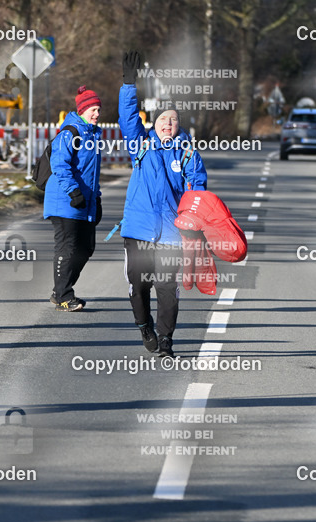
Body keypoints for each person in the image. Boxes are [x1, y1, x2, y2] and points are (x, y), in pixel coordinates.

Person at [117, 52, 207, 358]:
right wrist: (130, 84)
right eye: (163, 119)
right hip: (138, 230)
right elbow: (128, 118)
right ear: (155, 124)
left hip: (171, 233)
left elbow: (198, 191)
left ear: (179, 124)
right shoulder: (140, 145)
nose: (168, 123)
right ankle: (144, 325)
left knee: (168, 289)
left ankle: (166, 338)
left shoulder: (187, 153)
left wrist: (194, 224)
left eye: (173, 119)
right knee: (139, 285)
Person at [43, 85, 103, 312]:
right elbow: (59, 164)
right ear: (82, 110)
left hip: (84, 201)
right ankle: (64, 296)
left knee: (86, 247)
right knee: (67, 247)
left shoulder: (93, 134)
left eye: (98, 109)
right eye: (92, 109)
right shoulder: (70, 132)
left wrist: (96, 200)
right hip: (64, 200)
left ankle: (60, 290)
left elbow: (92, 173)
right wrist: (73, 191)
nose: (96, 113)